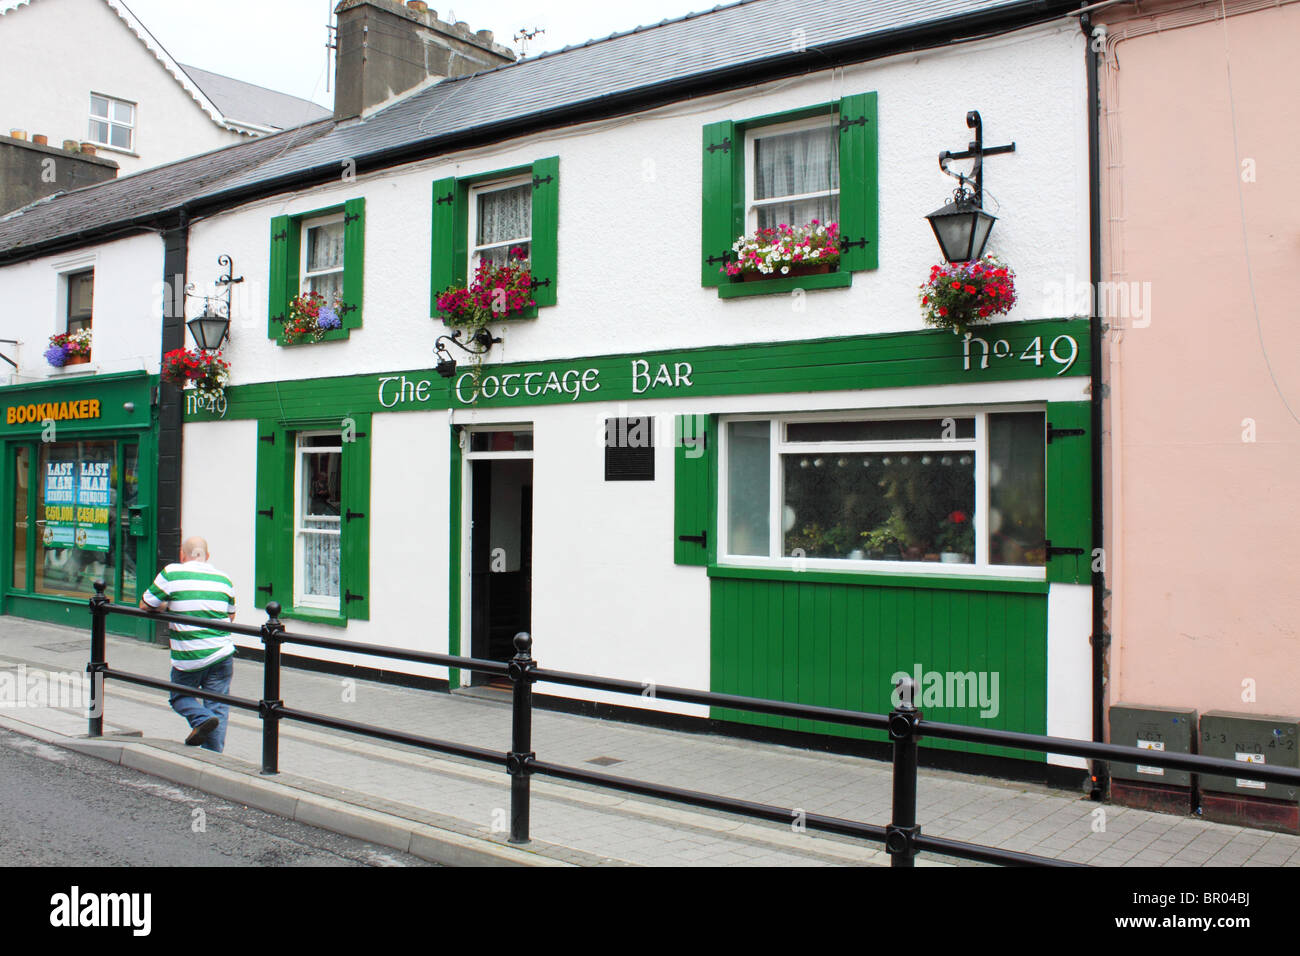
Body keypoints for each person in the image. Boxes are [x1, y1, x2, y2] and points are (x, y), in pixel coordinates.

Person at [139, 536, 236, 752]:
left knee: (180, 696)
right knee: (218, 706)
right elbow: (230, 617)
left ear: (182, 556)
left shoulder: (172, 572)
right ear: (207, 556)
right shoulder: (224, 578)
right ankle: (214, 757)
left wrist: (167, 606)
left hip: (190, 655)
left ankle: (201, 719)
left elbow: (145, 604)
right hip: (222, 653)